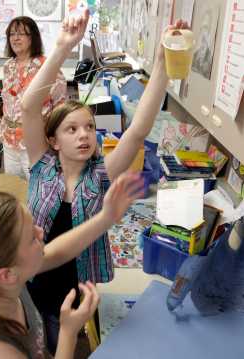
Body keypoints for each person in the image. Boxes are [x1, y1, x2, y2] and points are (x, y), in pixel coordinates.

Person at [22, 13, 189, 353]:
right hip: (33, 279)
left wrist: (161, 64)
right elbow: (28, 107)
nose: (85, 135)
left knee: (60, 339)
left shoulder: (99, 174)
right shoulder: (41, 165)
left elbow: (139, 129)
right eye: (72, 129)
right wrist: (63, 47)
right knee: (32, 341)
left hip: (74, 288)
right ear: (53, 140)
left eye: (88, 127)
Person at [0, 171, 144, 359]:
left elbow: (58, 251)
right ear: (6, 275)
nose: (41, 232)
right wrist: (67, 333)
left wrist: (107, 217)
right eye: (32, 237)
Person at [1, 16, 67, 180]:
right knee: (13, 188)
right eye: (12, 34)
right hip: (10, 140)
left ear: (33, 37)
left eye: (21, 34)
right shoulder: (8, 66)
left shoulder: (46, 67)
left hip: (35, 140)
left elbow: (61, 106)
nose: (15, 38)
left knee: (38, 190)